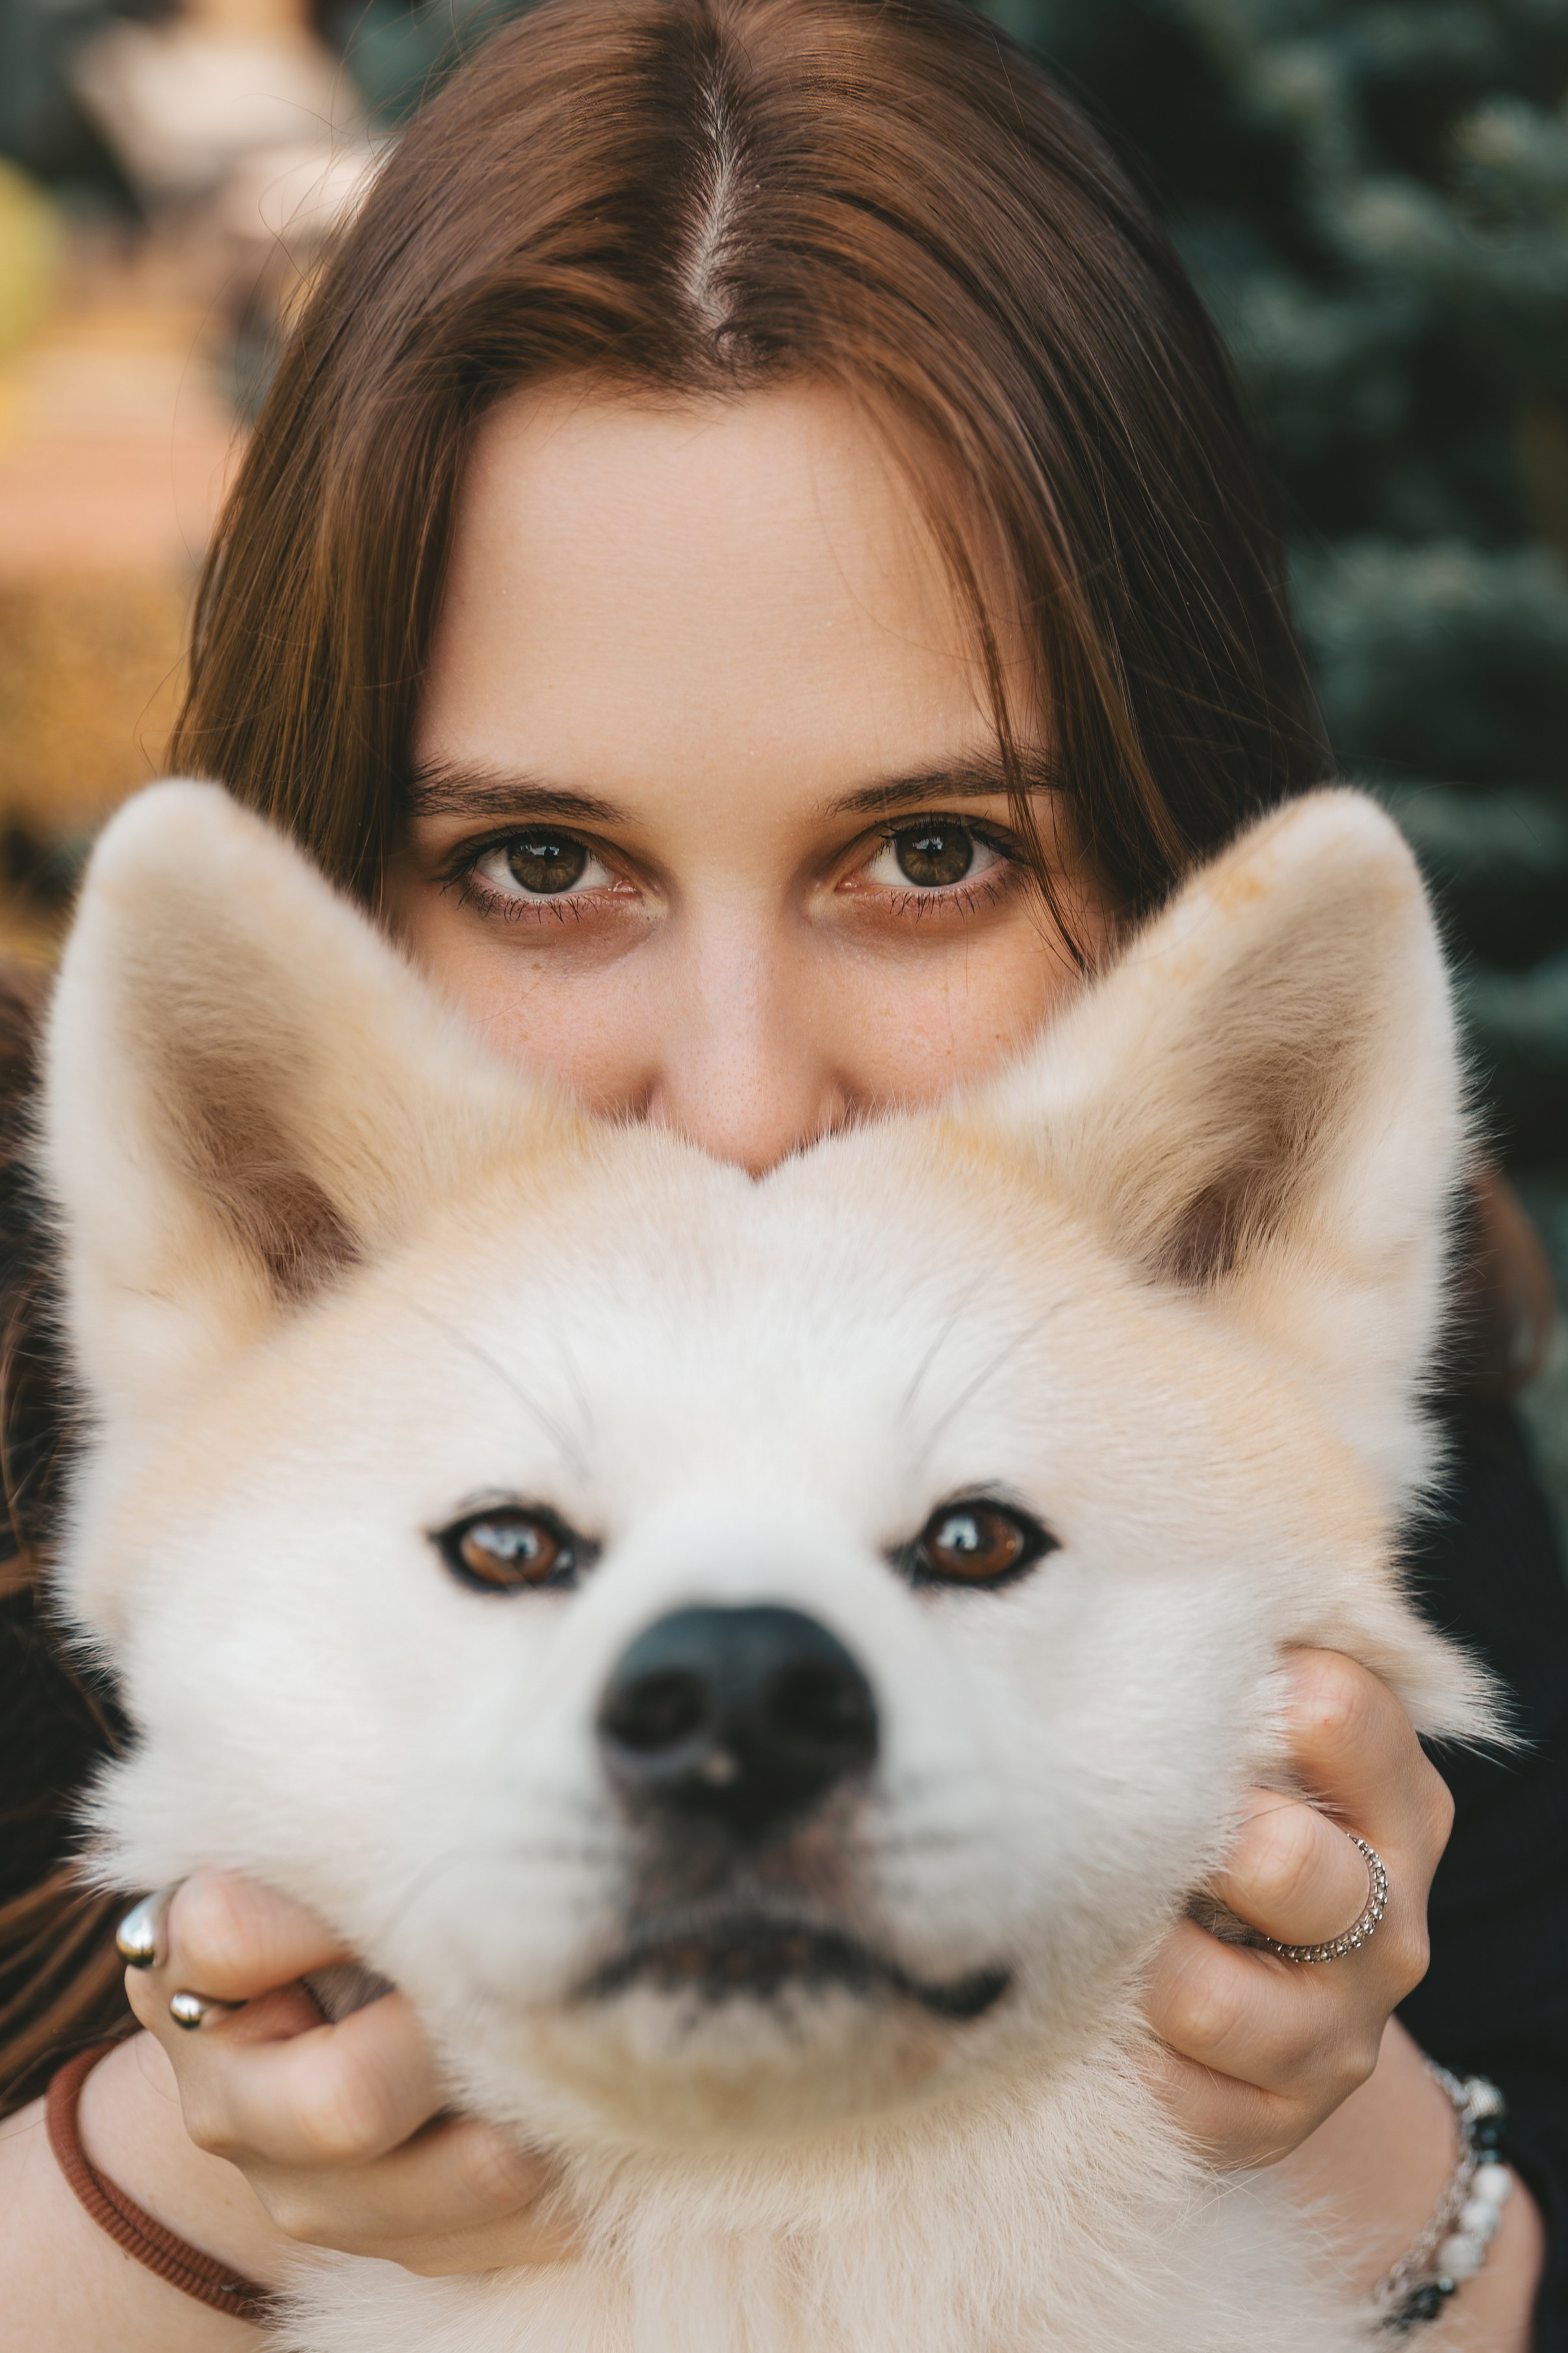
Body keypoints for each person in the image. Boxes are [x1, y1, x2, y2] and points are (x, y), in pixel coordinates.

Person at [0, 0, 1563, 2343]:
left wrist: (1300, 2075)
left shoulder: (1277, 1406)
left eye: (929, 851)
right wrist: (211, 2137)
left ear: (1153, 871)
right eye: (542, 860)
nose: (738, 1098)